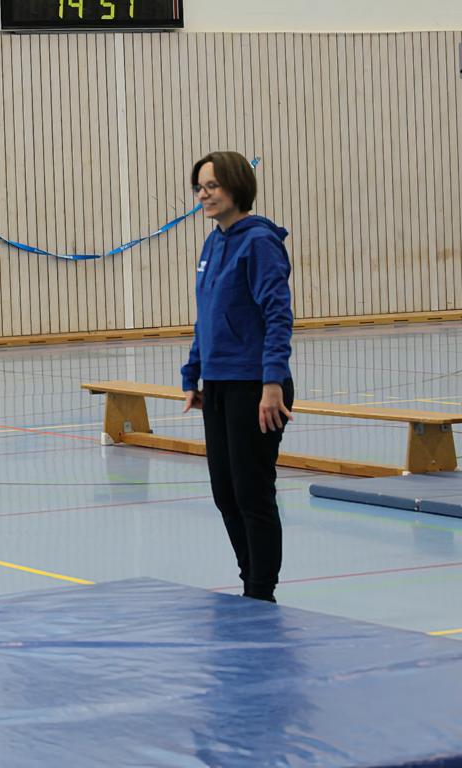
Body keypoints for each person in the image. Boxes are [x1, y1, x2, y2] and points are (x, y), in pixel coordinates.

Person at [180, 151, 294, 604]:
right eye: (199, 187)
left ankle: (261, 592)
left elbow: (277, 316)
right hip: (219, 384)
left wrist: (272, 383)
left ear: (236, 186)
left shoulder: (259, 242)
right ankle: (251, 580)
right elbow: (206, 314)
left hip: (255, 385)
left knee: (252, 493)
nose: (203, 195)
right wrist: (193, 374)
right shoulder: (213, 243)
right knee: (225, 493)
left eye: (212, 186)